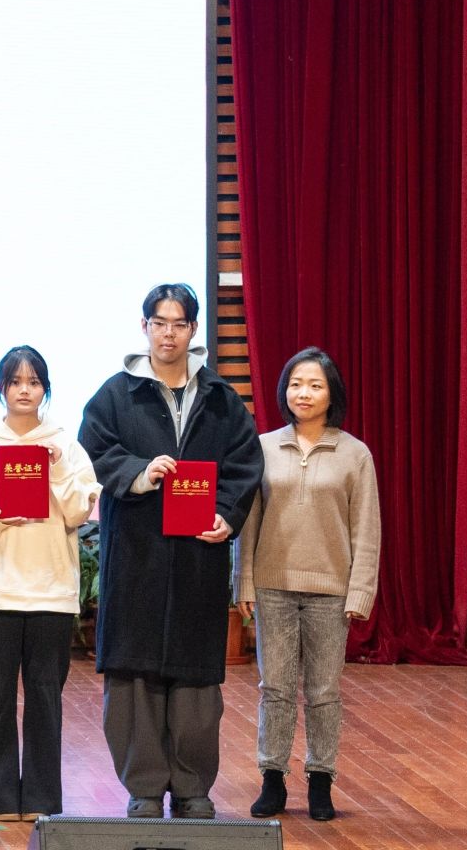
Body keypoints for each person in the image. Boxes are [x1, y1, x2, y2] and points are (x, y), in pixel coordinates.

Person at [78, 283, 262, 820]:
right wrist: (140, 471)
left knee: (195, 678)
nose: (168, 334)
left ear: (193, 330)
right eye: (159, 323)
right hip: (136, 557)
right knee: (133, 676)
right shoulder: (117, 394)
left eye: (179, 324)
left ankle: (191, 787)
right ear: (145, 327)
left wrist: (226, 514)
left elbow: (244, 465)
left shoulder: (220, 398)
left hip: (198, 558)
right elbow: (93, 452)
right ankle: (142, 786)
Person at [0, 346, 100, 822]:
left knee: (45, 697)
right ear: (1, 389)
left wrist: (55, 468)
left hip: (51, 590)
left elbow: (78, 512)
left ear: (45, 390)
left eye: (34, 382)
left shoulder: (65, 445)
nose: (24, 391)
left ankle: (40, 799)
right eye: (15, 382)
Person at [237, 347, 380, 822]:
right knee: (274, 687)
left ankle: (321, 780)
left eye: (315, 385)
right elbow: (249, 522)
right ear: (284, 390)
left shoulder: (355, 454)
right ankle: (272, 778)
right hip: (273, 585)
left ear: (331, 394)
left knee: (323, 691)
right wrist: (245, 582)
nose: (304, 393)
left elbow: (366, 528)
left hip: (331, 591)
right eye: (296, 384)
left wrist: (360, 590)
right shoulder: (262, 447)